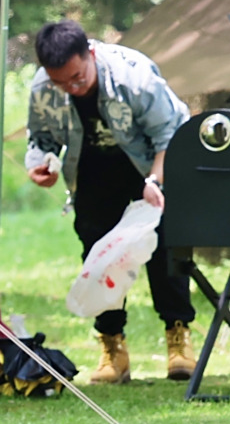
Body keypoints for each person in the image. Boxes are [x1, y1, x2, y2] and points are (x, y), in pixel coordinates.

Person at [25, 19, 195, 382]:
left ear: (90, 53)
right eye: (60, 82)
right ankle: (112, 348)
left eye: (77, 77)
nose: (70, 87)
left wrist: (154, 180)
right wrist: (40, 165)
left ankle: (178, 339)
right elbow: (40, 138)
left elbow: (172, 132)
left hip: (150, 167)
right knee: (99, 257)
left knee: (167, 250)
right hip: (92, 173)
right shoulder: (43, 89)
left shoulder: (134, 76)